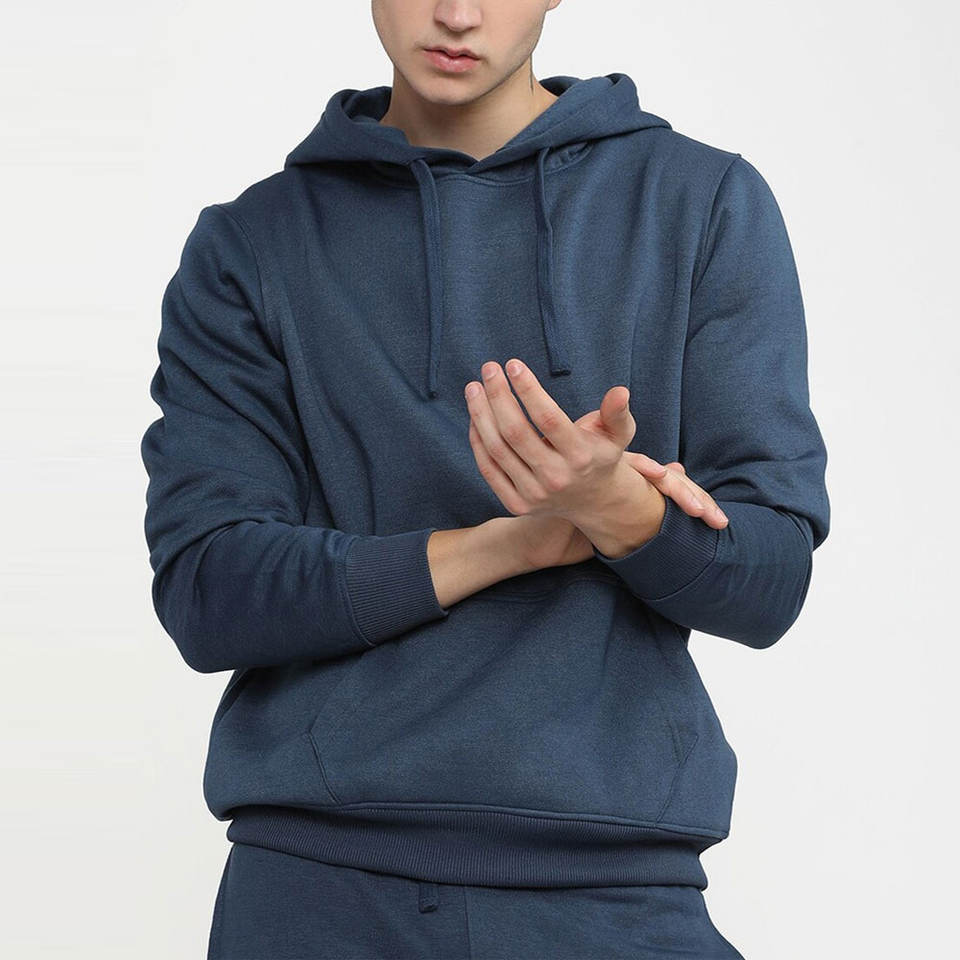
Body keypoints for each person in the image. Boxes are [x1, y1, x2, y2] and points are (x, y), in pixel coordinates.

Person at [140, 1, 830, 957]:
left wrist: (618, 508)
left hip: (611, 889)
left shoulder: (700, 201)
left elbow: (769, 582)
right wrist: (512, 544)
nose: (456, 14)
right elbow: (209, 590)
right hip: (315, 891)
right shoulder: (252, 242)